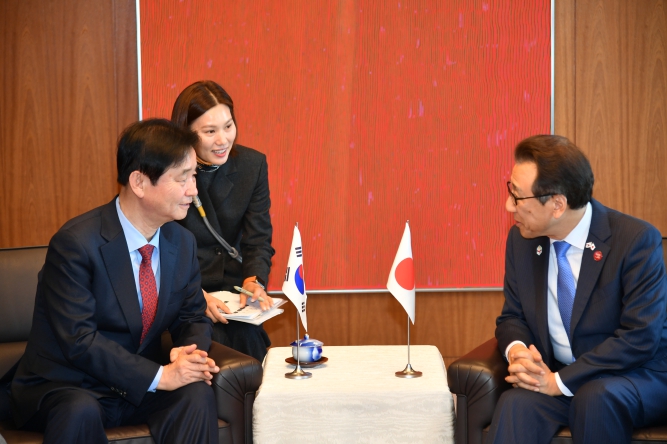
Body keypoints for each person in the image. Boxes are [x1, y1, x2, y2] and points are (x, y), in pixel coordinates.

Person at [10, 119, 220, 444]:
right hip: (71, 385)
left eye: (194, 176)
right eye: (182, 178)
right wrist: (160, 375)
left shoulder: (182, 242)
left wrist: (187, 354)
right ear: (139, 182)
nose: (193, 190)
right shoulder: (76, 244)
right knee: (79, 411)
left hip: (136, 388)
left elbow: (192, 316)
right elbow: (79, 341)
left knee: (195, 394)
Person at [487, 135, 667, 444]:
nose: (508, 206)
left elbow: (640, 337)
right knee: (516, 404)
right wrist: (519, 352)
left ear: (557, 205)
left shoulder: (634, 240)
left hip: (637, 375)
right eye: (510, 191)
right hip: (559, 377)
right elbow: (512, 317)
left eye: (517, 197)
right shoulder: (522, 241)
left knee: (595, 399)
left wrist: (559, 381)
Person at [171, 80, 275, 362]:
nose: (223, 140)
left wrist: (253, 281)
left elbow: (258, 239)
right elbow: (159, 247)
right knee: (207, 345)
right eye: (210, 131)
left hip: (233, 292)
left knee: (249, 345)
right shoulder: (168, 171)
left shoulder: (252, 166)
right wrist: (195, 294)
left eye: (228, 126)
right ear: (186, 133)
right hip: (185, 291)